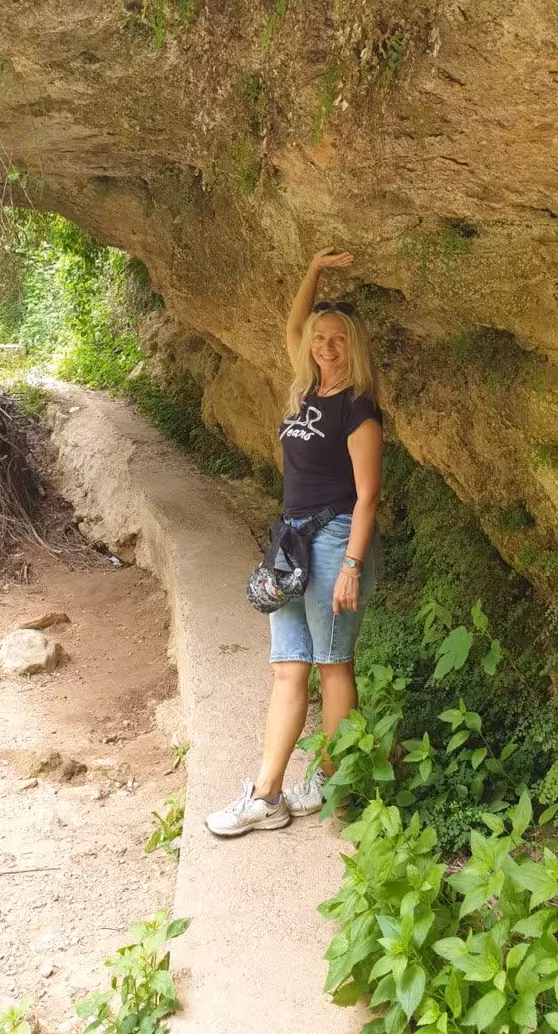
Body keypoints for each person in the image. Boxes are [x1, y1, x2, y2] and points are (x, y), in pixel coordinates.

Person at [205, 247, 383, 837]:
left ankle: (332, 782)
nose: (325, 346)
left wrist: (354, 564)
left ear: (352, 348)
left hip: (334, 539)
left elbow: (367, 498)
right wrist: (313, 269)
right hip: (291, 543)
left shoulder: (359, 411)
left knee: (333, 665)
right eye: (320, 338)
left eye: (337, 339)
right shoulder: (305, 391)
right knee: (287, 668)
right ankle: (266, 794)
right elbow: (290, 326)